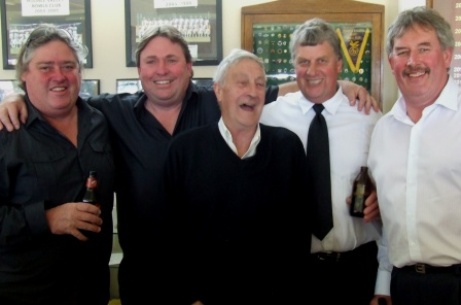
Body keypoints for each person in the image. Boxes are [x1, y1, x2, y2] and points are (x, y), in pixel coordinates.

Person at [0, 25, 379, 304]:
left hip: (210, 282)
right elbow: (55, 93)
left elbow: (279, 87)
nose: (161, 70)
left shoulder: (218, 100)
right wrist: (16, 96)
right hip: (140, 278)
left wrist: (344, 86)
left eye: (171, 60)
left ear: (189, 68)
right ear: (139, 70)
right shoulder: (106, 113)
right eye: (151, 61)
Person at [163, 48, 311, 305]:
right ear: (219, 91)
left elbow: (298, 235)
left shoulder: (288, 147)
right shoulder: (184, 150)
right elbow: (170, 234)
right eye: (242, 83)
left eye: (260, 84)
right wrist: (191, 295)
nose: (252, 92)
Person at [259, 18, 390, 305]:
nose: (312, 71)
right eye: (303, 62)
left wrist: (382, 200)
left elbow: (392, 196)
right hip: (291, 272)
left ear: (339, 65)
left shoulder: (370, 118)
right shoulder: (267, 117)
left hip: (356, 269)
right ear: (294, 65)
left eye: (322, 61)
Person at [0, 24, 115, 305]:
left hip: (92, 288)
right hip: (27, 293)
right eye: (45, 67)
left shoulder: (101, 119)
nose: (59, 76)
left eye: (68, 66)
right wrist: (47, 219)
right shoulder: (6, 131)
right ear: (24, 74)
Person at [368, 6, 461, 305]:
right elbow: (390, 220)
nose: (413, 61)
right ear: (391, 61)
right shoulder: (382, 130)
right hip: (403, 285)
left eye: (424, 49)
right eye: (402, 51)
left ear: (446, 55)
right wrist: (383, 282)